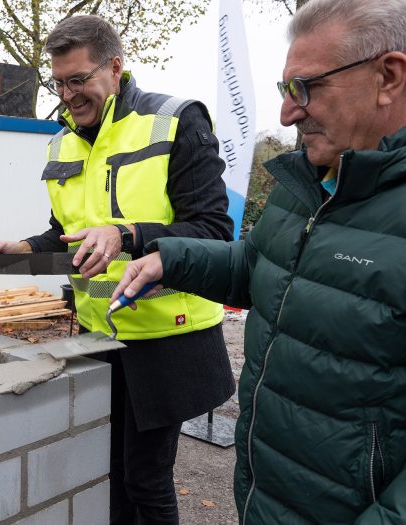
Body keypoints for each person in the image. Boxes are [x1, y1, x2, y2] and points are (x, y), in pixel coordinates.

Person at [113, 0, 406, 522]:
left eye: (305, 87)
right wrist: (168, 259)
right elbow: (264, 267)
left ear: (388, 77)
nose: (287, 113)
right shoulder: (310, 182)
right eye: (283, 90)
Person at [0, 15, 235, 524]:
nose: (68, 95)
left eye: (79, 80)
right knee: (108, 473)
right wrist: (21, 249)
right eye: (59, 82)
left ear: (115, 68)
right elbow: (67, 236)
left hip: (166, 340)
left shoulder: (177, 121)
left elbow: (214, 232)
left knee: (146, 478)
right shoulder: (63, 142)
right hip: (101, 337)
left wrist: (128, 234)